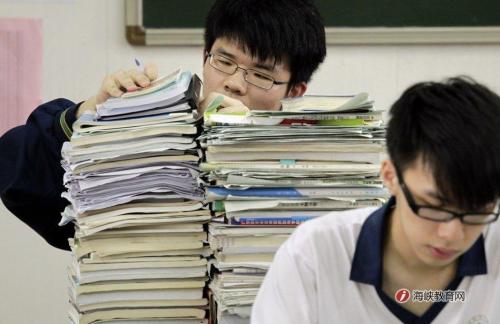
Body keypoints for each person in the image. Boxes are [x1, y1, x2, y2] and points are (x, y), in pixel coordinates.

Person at [0, 0, 326, 250]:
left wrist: (247, 149)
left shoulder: (321, 160)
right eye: (224, 62)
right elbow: (18, 178)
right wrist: (90, 115)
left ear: (294, 90)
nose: (234, 84)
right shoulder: (152, 133)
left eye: (260, 75)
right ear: (205, 55)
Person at [251, 77, 500, 323]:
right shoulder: (315, 253)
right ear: (390, 176)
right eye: (433, 206)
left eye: (477, 211)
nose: (452, 234)